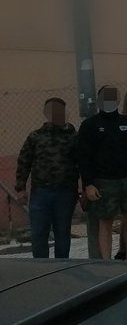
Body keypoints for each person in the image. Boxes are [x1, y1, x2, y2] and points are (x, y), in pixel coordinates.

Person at [77, 85, 127, 260]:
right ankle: (107, 263)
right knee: (105, 222)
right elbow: (84, 157)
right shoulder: (89, 125)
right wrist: (88, 184)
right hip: (103, 182)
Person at [15, 97, 78, 259]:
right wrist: (20, 188)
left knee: (63, 233)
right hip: (40, 193)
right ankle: (41, 269)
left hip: (66, 192)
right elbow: (24, 161)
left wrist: (85, 187)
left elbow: (83, 163)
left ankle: (61, 269)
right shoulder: (35, 137)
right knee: (39, 234)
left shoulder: (73, 137)